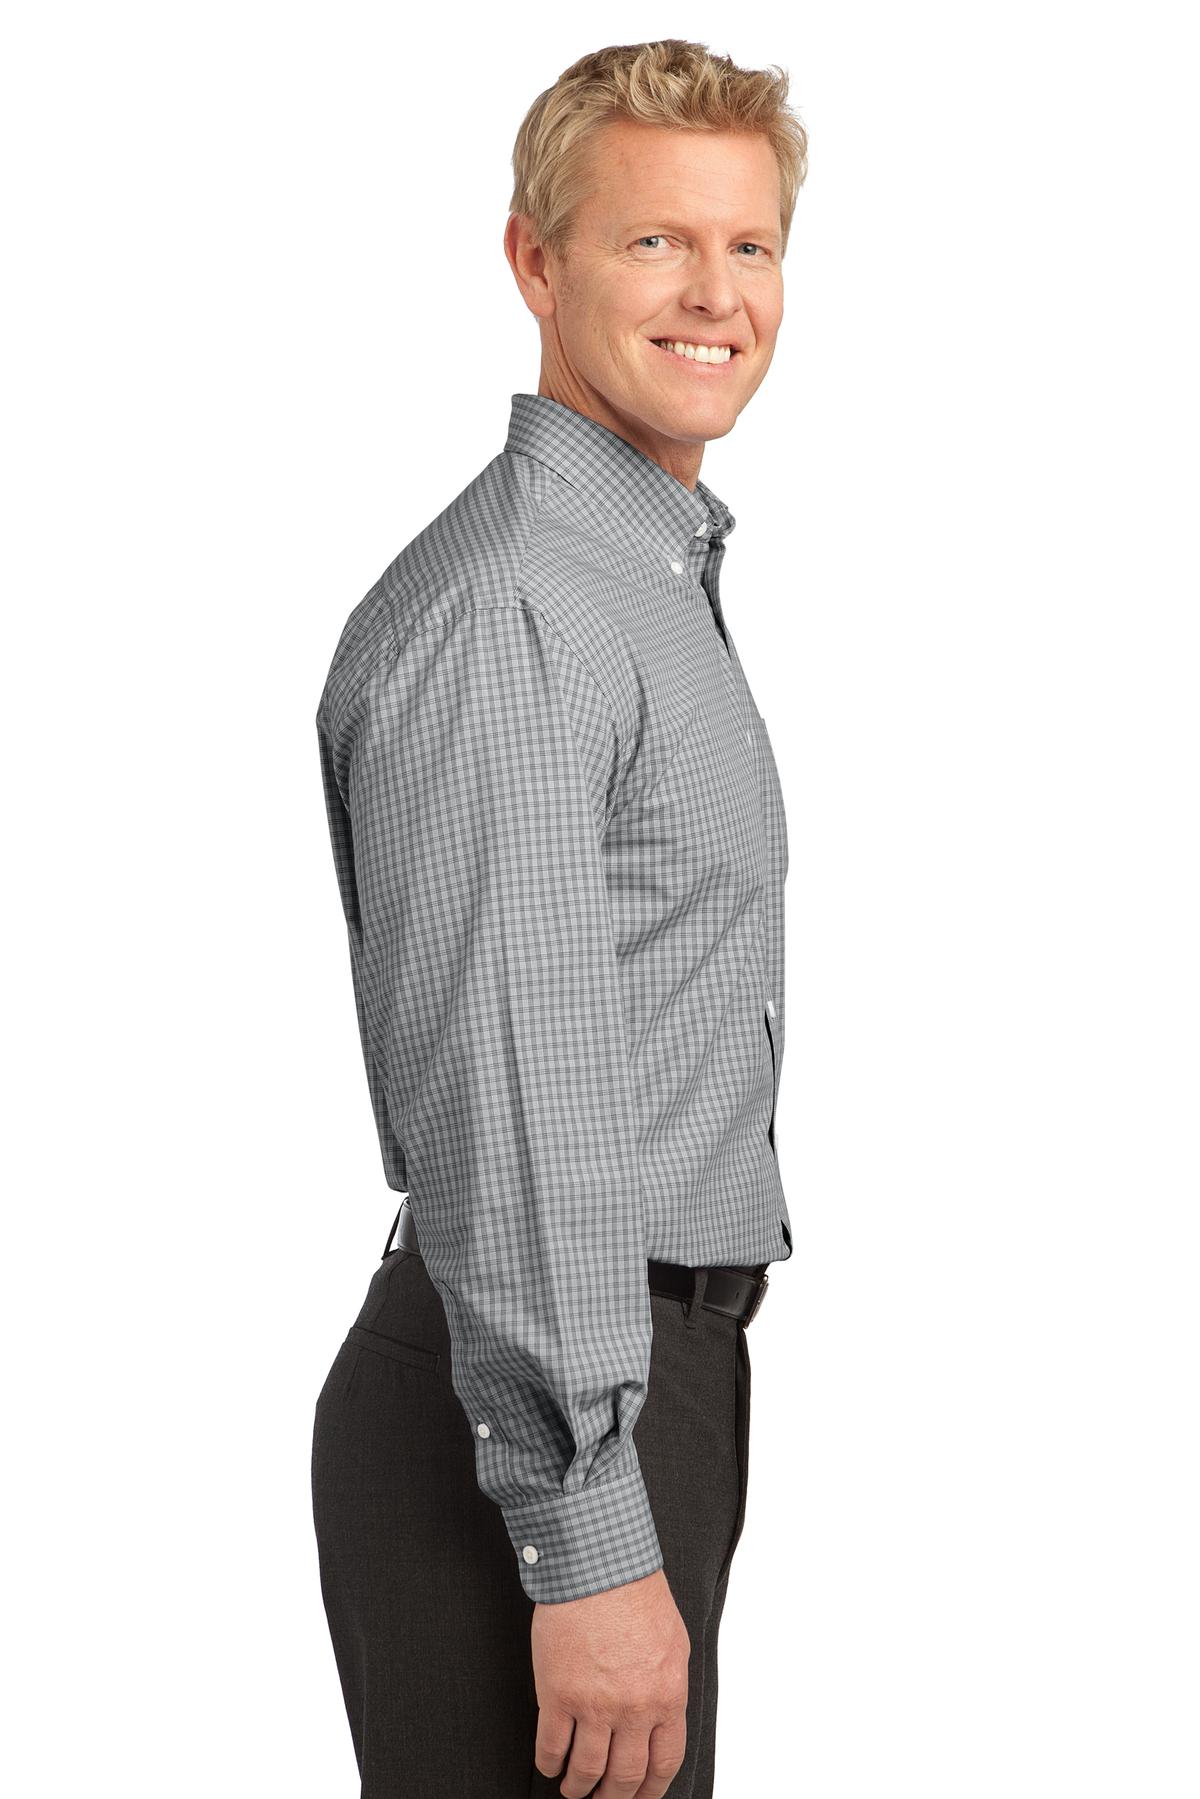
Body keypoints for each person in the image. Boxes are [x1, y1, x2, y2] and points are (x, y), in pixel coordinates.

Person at [311, 37, 807, 1799]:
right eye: (655, 241)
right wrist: (586, 1522)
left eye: (750, 245)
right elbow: (514, 1097)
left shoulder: (637, 576)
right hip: (543, 1409)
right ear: (536, 262)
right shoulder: (520, 612)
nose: (716, 294)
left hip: (631, 1377)